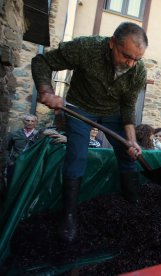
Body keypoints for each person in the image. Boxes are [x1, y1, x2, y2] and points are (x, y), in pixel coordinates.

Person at [31, 22, 148, 243]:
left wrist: (131, 141)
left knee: (126, 153)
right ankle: (68, 215)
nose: (131, 64)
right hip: (80, 107)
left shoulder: (138, 71)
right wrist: (46, 90)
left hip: (113, 112)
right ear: (112, 43)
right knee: (77, 156)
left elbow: (128, 107)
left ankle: (133, 202)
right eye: (126, 56)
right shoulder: (86, 48)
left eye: (136, 59)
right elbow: (43, 61)